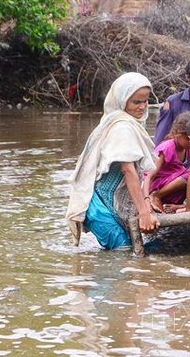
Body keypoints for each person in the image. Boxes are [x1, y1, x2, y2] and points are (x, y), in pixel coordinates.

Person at [66, 72, 160, 250]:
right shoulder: (122, 127)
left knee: (133, 254)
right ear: (122, 101)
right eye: (136, 102)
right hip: (100, 208)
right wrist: (144, 212)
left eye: (145, 101)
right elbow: (128, 170)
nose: (142, 107)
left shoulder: (127, 123)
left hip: (108, 205)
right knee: (122, 256)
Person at [143, 111, 190, 213]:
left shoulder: (189, 148)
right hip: (156, 185)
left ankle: (181, 205)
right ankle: (156, 196)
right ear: (177, 134)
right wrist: (145, 199)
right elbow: (149, 175)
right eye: (187, 139)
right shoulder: (167, 147)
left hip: (170, 187)